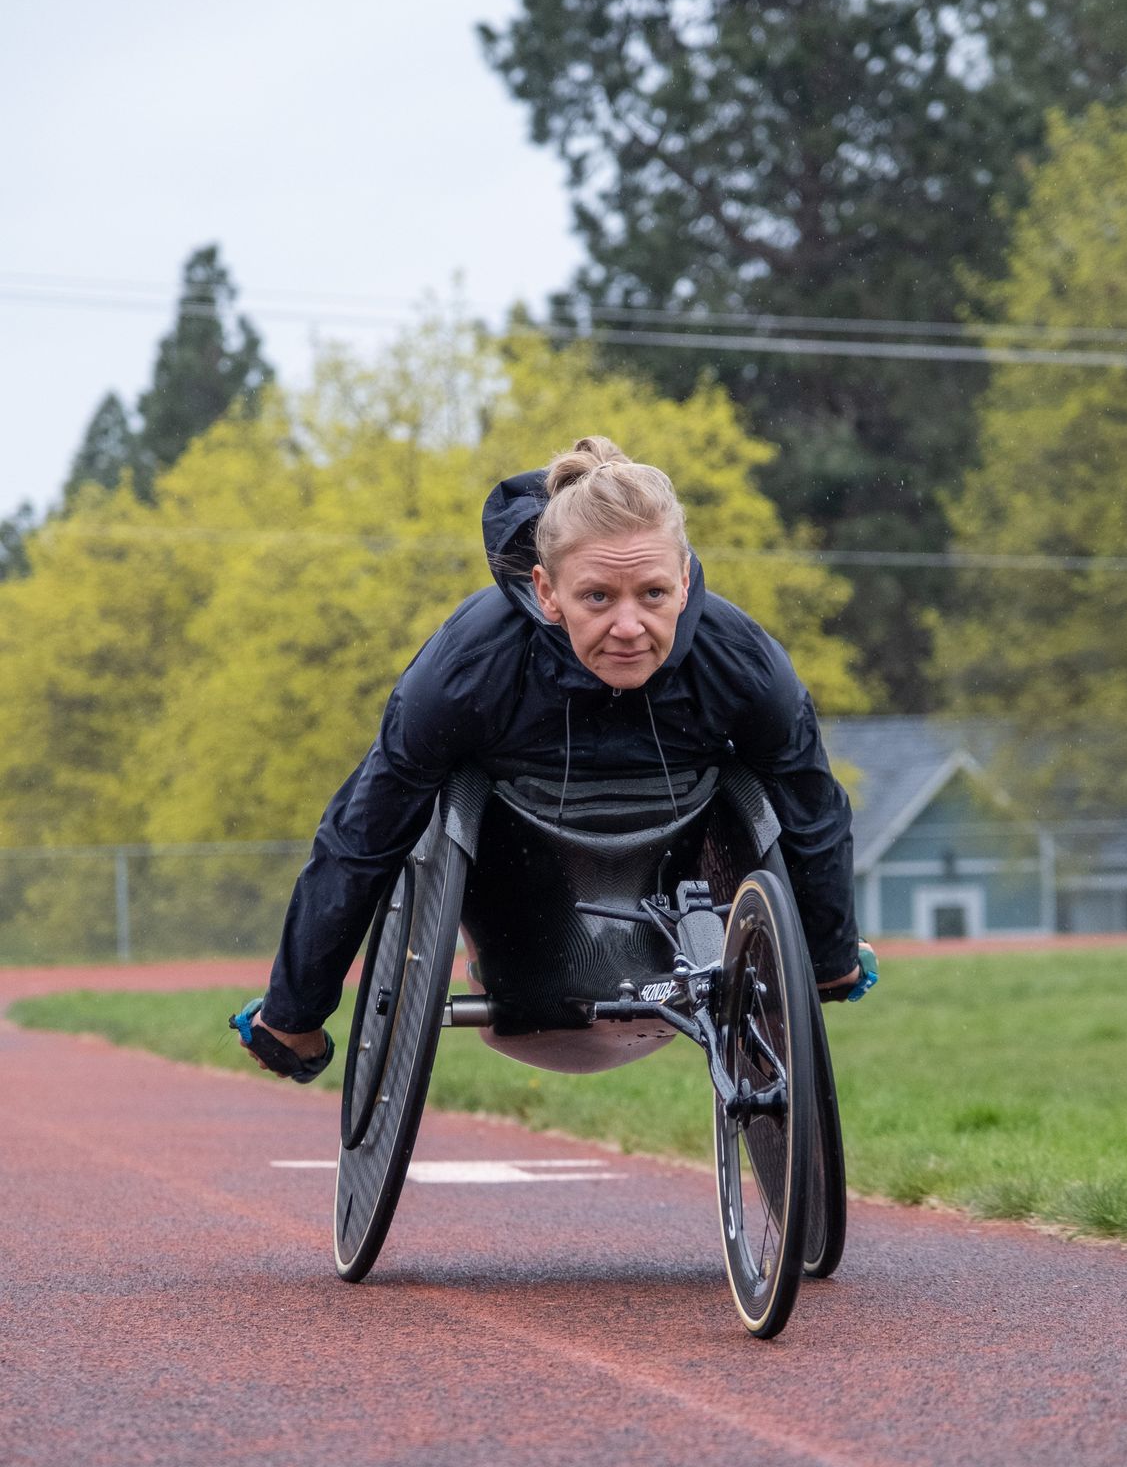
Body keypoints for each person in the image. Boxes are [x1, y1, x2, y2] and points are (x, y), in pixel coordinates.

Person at [235, 437, 874, 1080]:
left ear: (684, 582)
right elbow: (364, 832)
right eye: (598, 597)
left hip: (682, 880)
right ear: (546, 591)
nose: (628, 625)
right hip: (512, 890)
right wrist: (295, 1012)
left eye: (652, 594)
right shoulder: (467, 666)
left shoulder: (741, 661)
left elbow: (810, 804)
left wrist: (827, 954)